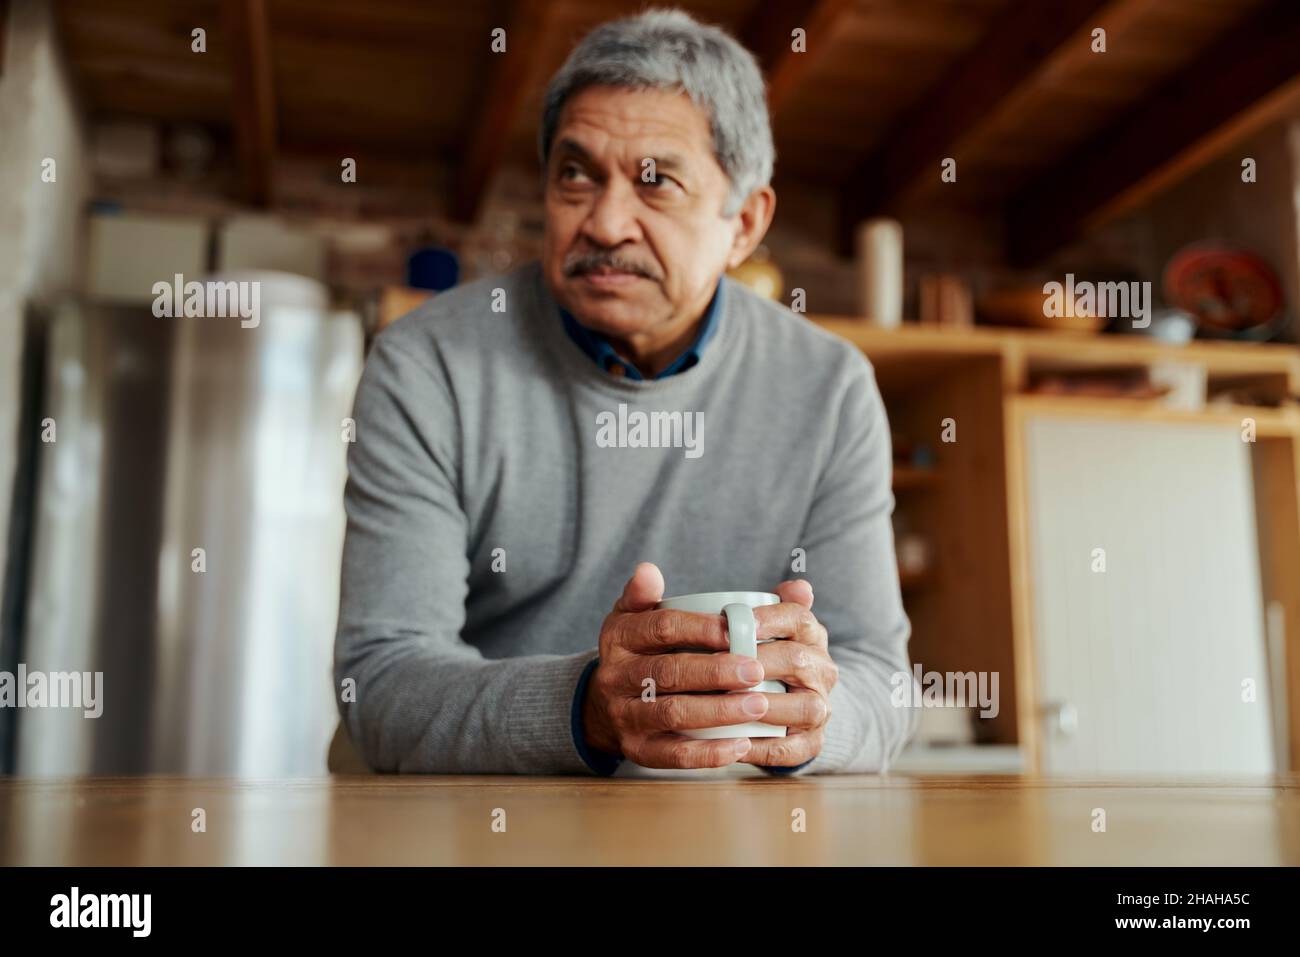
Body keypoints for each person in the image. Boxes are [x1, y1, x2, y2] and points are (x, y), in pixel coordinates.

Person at [330, 9, 915, 776]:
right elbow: (379, 679)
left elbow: (882, 679)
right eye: (576, 174)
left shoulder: (830, 388)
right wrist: (585, 708)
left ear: (743, 223)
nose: (604, 222)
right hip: (469, 826)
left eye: (656, 183)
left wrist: (808, 721)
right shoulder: (427, 364)